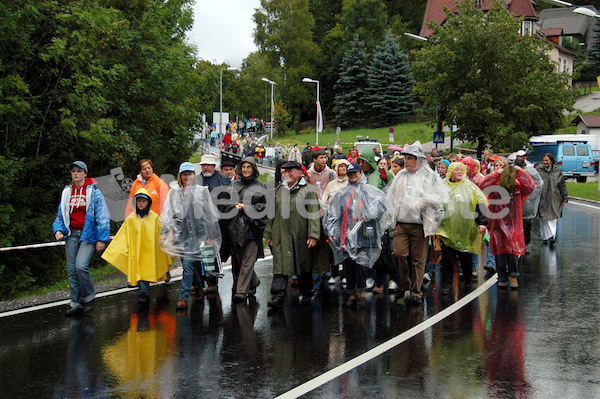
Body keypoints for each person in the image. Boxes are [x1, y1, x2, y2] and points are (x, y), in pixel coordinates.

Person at [386, 142, 449, 304]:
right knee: (399, 254)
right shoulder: (400, 176)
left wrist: (423, 201)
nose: (406, 162)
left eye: (409, 159)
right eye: (405, 158)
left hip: (420, 225)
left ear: (418, 160)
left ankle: (416, 292)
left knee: (418, 260)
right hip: (401, 223)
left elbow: (442, 198)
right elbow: (390, 197)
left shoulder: (430, 177)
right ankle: (403, 284)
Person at [323, 163, 392, 308]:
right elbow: (332, 214)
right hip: (347, 236)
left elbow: (382, 207)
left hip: (364, 235)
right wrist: (331, 231)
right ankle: (351, 293)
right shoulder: (342, 194)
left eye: (355, 172)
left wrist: (370, 213)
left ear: (361, 173)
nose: (352, 175)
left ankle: (360, 292)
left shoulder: (370, 191)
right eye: (350, 173)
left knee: (361, 265)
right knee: (348, 265)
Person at [159, 162, 222, 309]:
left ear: (194, 175)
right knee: (189, 265)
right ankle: (199, 285)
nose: (187, 177)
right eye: (184, 174)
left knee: (188, 265)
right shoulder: (174, 193)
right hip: (183, 235)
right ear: (180, 176)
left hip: (199, 234)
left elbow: (209, 215)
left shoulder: (202, 191)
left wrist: (209, 236)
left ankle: (183, 297)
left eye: (190, 174)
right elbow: (169, 214)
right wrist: (164, 233)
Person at [53, 161, 110, 316]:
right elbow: (60, 215)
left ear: (85, 173)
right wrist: (58, 230)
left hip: (88, 235)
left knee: (80, 266)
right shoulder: (66, 192)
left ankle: (89, 295)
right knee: (71, 270)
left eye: (79, 171)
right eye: (73, 171)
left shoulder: (94, 192)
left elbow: (103, 215)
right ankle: (76, 303)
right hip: (71, 234)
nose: (76, 174)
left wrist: (101, 239)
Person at [264, 161, 321, 309]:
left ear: (300, 173)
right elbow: (272, 212)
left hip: (301, 234)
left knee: (303, 265)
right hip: (281, 234)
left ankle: (306, 293)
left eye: (291, 171)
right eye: (285, 171)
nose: (287, 174)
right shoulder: (279, 189)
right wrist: (268, 233)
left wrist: (313, 234)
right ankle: (278, 296)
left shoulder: (308, 190)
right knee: (281, 266)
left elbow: (314, 213)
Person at [102, 188, 173, 304]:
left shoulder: (154, 217)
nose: (141, 204)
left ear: (148, 203)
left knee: (148, 274)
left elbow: (161, 234)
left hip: (150, 254)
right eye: (139, 201)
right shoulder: (131, 219)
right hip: (137, 254)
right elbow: (123, 236)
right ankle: (143, 296)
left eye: (143, 201)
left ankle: (144, 298)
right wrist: (114, 252)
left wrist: (168, 246)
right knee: (140, 276)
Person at [479, 156, 534, 288]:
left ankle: (513, 275)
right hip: (496, 222)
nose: (500, 169)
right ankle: (502, 276)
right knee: (499, 251)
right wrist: (496, 174)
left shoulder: (517, 187)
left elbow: (530, 185)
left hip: (513, 222)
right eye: (497, 167)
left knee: (511, 250)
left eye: (502, 167)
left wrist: (520, 172)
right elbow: (483, 184)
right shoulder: (494, 186)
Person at [436, 162, 488, 295]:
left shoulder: (470, 186)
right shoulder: (442, 186)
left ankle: (468, 281)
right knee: (448, 259)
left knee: (466, 257)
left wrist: (482, 222)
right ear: (450, 172)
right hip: (447, 230)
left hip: (466, 230)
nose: (459, 172)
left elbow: (480, 202)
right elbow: (435, 205)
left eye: (461, 170)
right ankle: (447, 284)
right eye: (456, 170)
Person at [224, 157, 267, 303]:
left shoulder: (261, 186)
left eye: (249, 167)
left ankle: (240, 291)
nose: (246, 170)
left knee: (248, 261)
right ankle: (253, 282)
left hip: (253, 229)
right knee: (241, 260)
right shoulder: (233, 185)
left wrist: (247, 207)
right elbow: (224, 204)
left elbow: (265, 207)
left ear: (254, 169)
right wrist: (234, 206)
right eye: (244, 167)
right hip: (236, 229)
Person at [536, 153, 567, 248]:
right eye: (544, 160)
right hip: (542, 198)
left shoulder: (557, 171)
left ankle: (552, 236)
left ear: (551, 161)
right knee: (543, 218)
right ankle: (545, 236)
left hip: (554, 197)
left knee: (553, 218)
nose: (545, 162)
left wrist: (565, 197)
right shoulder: (538, 170)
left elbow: (562, 185)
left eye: (547, 161)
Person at [514, 150, 542, 252]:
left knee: (526, 224)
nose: (519, 158)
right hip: (515, 201)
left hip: (527, 202)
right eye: (518, 156)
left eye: (521, 156)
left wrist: (531, 198)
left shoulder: (530, 170)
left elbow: (537, 185)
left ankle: (526, 244)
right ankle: (516, 244)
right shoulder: (512, 169)